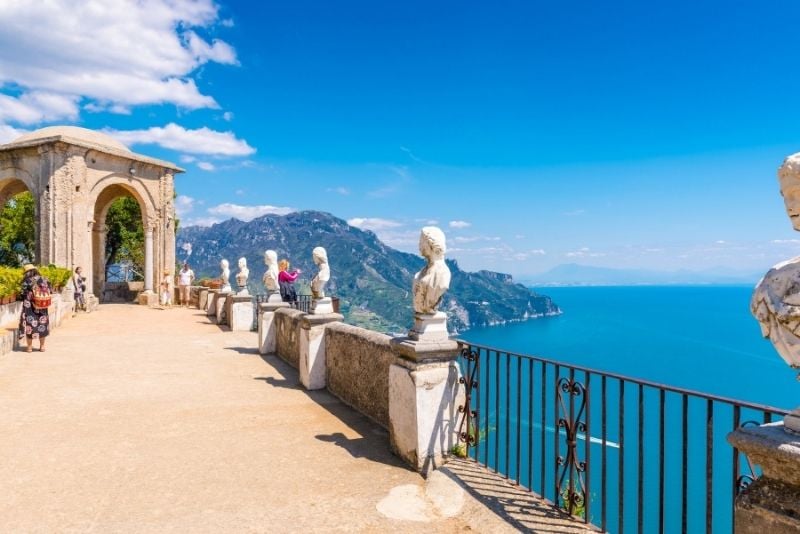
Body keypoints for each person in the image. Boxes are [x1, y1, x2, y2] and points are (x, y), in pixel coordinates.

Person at [19, 264, 51, 353]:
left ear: (27, 272)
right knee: (43, 324)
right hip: (42, 305)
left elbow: (22, 293)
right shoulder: (45, 279)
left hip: (30, 306)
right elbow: (50, 290)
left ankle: (29, 348)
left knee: (30, 326)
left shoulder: (27, 281)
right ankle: (42, 347)